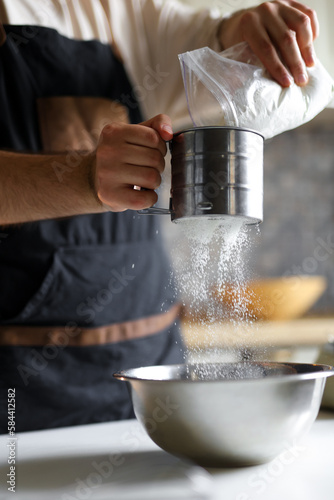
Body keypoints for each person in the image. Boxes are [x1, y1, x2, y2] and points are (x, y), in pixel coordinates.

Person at [0, 0, 318, 433]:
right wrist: (81, 177)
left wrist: (247, 33)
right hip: (22, 393)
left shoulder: (120, 11)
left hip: (150, 377)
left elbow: (213, 42)